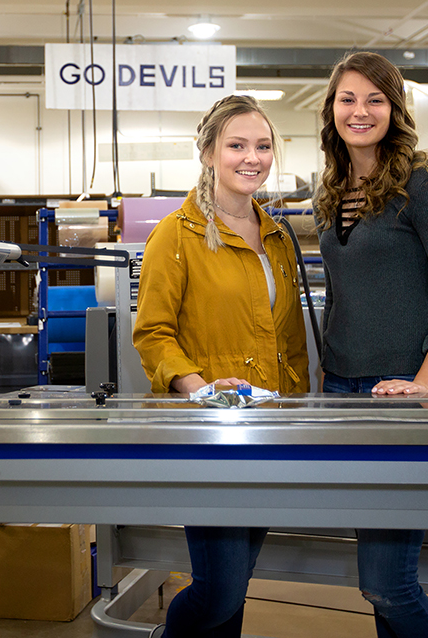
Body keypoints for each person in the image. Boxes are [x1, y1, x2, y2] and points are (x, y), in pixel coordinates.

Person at [314, 51, 428, 638]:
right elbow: (340, 296)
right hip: (344, 393)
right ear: (331, 109)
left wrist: (427, 384)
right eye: (347, 99)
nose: (360, 112)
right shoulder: (332, 191)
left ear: (395, 108)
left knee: (387, 582)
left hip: (403, 396)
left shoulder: (426, 184)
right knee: (379, 583)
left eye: (374, 99)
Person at [133, 94, 310, 637]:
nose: (251, 157)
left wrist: (301, 407)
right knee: (219, 589)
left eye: (262, 146)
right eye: (237, 145)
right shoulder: (176, 235)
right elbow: (153, 332)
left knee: (237, 584)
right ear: (208, 152)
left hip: (271, 425)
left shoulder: (278, 238)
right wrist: (199, 388)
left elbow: (289, 337)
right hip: (210, 431)